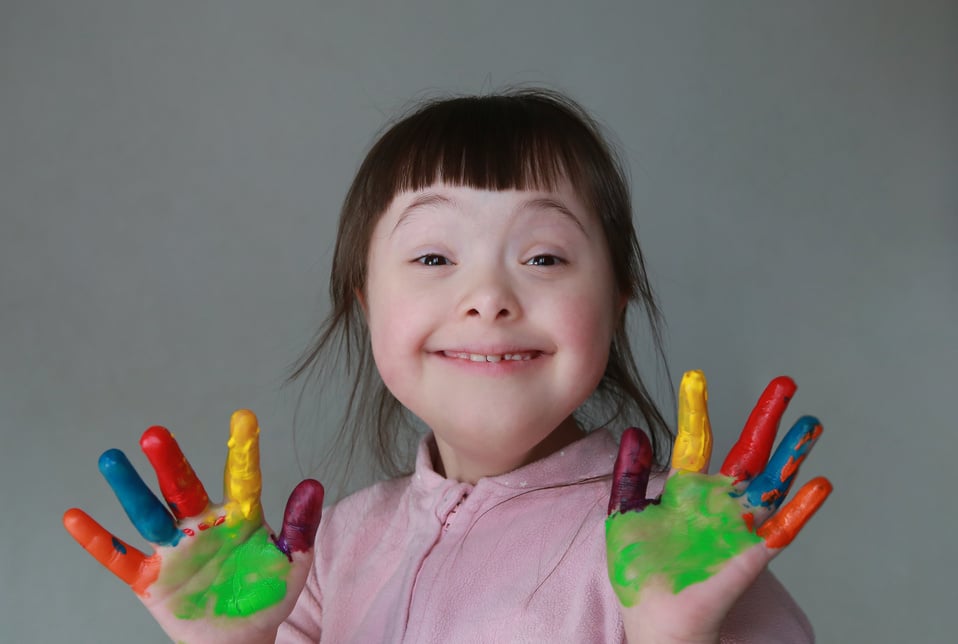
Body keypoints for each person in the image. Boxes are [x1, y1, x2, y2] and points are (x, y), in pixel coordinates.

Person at [63, 89, 831, 643]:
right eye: (433, 256)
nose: (489, 297)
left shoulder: (690, 547)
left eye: (544, 256)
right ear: (366, 300)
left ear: (619, 297)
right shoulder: (327, 555)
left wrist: (675, 638)